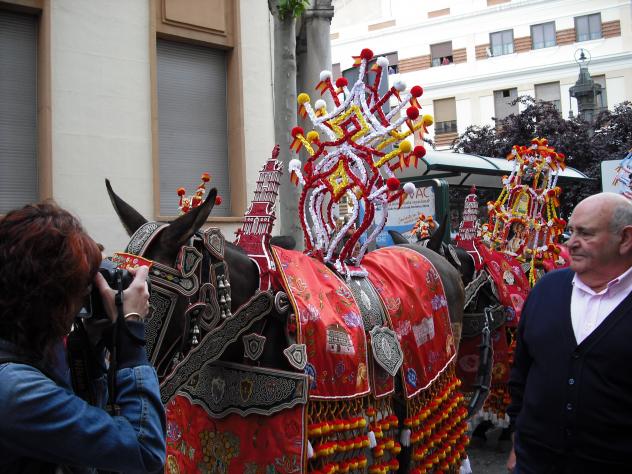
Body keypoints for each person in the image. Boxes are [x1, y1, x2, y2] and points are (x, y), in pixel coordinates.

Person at [0, 201, 166, 473]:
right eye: (80, 288)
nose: (85, 298)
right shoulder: (15, 390)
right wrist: (130, 332)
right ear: (52, 297)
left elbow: (84, 431)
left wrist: (89, 345)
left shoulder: (27, 349)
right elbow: (143, 451)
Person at [506, 192, 632, 473]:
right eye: (571, 231)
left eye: (585, 234)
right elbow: (522, 372)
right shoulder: (546, 289)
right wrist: (517, 436)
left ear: (625, 239)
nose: (571, 242)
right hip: (534, 462)